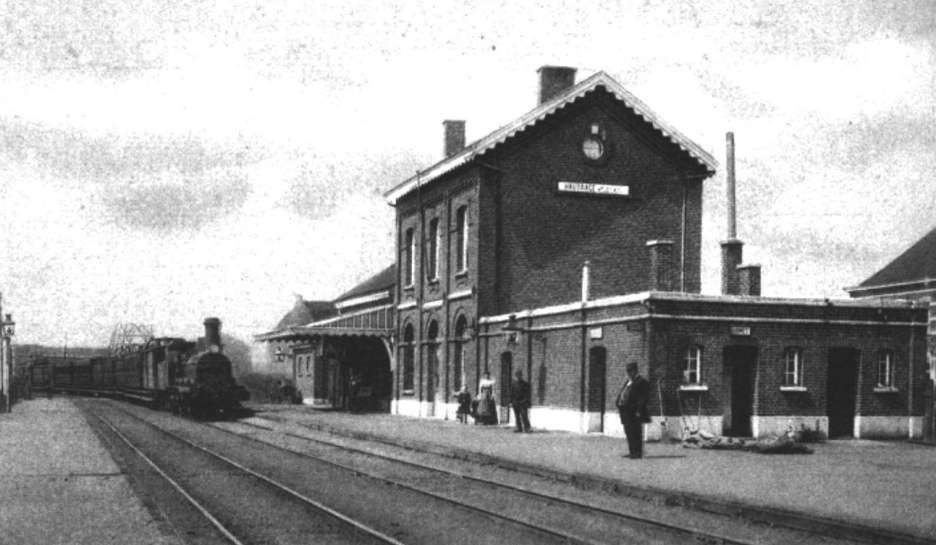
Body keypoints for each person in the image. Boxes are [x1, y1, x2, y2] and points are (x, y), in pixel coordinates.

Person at [615, 362, 650, 458]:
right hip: (626, 411)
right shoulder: (628, 382)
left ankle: (637, 453)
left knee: (636, 432)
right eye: (628, 371)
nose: (628, 373)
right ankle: (632, 451)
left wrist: (639, 410)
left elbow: (643, 398)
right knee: (628, 432)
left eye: (630, 371)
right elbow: (623, 393)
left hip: (634, 412)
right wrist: (618, 402)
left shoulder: (641, 382)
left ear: (635, 371)